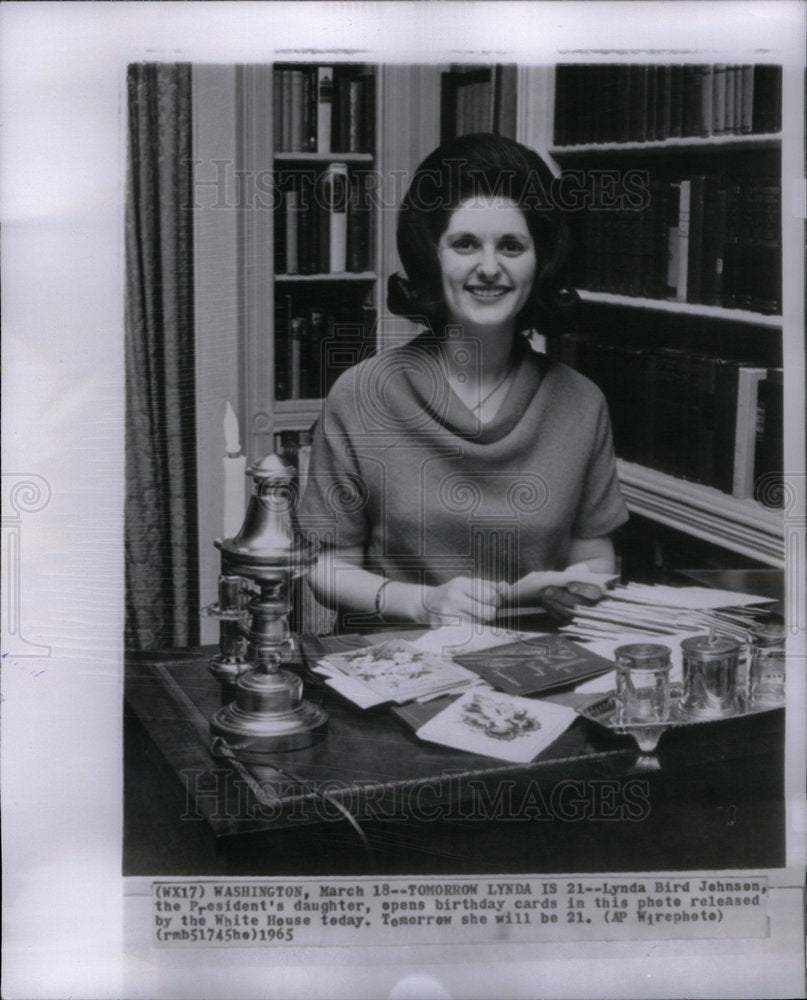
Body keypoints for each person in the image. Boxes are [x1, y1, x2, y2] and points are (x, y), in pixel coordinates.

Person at [297, 133, 629, 629]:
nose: (490, 268)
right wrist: (421, 603)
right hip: (395, 670)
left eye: (512, 246)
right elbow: (327, 567)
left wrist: (581, 588)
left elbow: (596, 563)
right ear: (434, 258)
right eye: (466, 244)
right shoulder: (362, 394)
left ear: (540, 263)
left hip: (536, 673)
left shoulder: (581, 402)